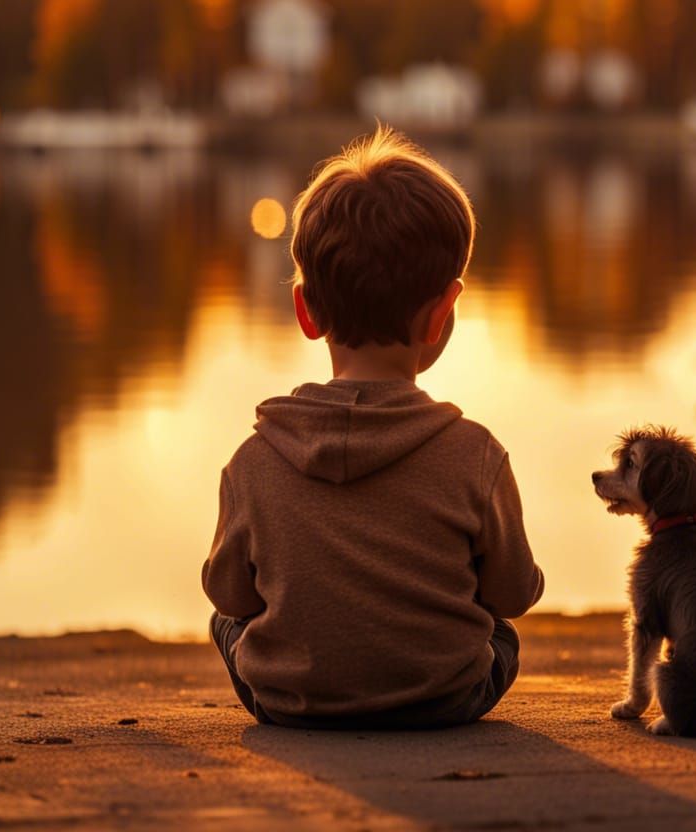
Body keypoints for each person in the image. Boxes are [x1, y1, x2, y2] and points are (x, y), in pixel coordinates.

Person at [202, 126, 544, 729]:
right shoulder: (476, 456)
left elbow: (230, 596)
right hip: (445, 698)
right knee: (499, 632)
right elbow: (512, 594)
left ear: (305, 310)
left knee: (226, 625)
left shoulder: (253, 461)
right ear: (443, 314)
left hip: (290, 703)